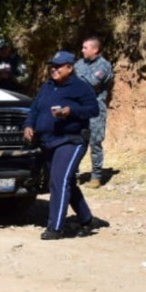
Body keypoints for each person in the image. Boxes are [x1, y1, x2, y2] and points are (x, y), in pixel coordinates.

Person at [23, 50, 104, 240]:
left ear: (70, 67)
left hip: (71, 140)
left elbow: (93, 109)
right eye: (53, 66)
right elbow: (34, 109)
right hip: (48, 141)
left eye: (59, 67)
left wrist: (71, 111)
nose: (54, 70)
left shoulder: (80, 87)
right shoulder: (48, 86)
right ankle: (87, 220)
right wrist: (28, 125)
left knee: (59, 181)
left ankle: (55, 227)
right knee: (66, 181)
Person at [74, 36, 114, 188]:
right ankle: (74, 175)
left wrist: (76, 79)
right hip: (79, 109)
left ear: (95, 49)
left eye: (85, 48)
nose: (82, 50)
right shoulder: (79, 64)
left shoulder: (103, 65)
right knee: (76, 141)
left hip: (95, 110)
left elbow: (91, 83)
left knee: (95, 142)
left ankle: (96, 176)